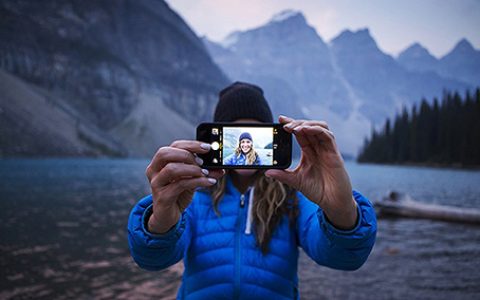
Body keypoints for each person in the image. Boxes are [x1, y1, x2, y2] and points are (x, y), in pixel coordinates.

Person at [127, 81, 377, 299]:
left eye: (253, 137)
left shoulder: (293, 196)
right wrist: (160, 221)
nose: (246, 144)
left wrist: (342, 211)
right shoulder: (193, 193)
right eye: (240, 137)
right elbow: (153, 260)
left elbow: (344, 259)